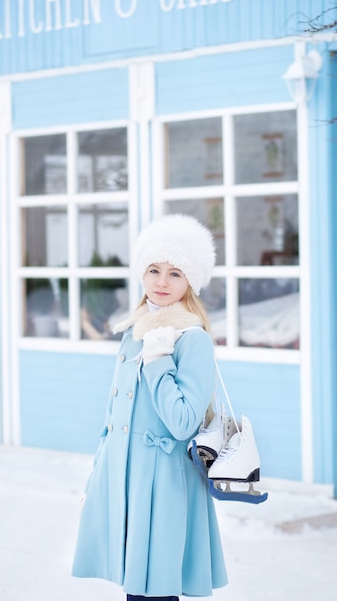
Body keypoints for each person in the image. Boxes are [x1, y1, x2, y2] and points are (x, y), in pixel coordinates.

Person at [72, 214, 228, 601]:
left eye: (175, 273)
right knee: (135, 590)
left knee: (155, 592)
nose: (162, 282)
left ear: (190, 281)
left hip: (164, 485)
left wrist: (159, 363)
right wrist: (97, 476)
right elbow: (113, 417)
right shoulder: (134, 331)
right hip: (124, 478)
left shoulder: (192, 339)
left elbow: (182, 422)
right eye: (154, 270)